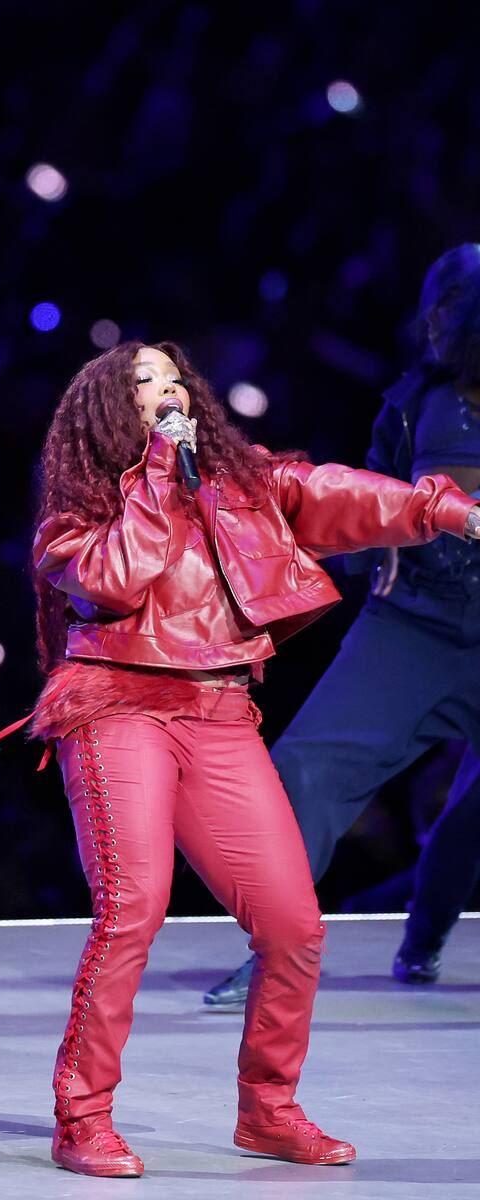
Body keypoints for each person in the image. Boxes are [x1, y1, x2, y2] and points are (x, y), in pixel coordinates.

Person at [27, 340, 480, 1177]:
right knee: (134, 909)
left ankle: (269, 1110)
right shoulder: (78, 514)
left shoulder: (240, 482)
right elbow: (119, 580)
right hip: (118, 708)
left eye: (174, 378)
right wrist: (160, 471)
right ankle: (82, 1117)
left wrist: (450, 510)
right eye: (144, 382)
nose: (167, 390)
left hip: (220, 713)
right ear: (109, 408)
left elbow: (336, 492)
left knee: (293, 924)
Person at [205, 245, 480, 1007]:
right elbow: (374, 500)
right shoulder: (418, 403)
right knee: (308, 770)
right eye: (439, 307)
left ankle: (425, 940)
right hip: (416, 627)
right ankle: (273, 949)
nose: (440, 324)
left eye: (455, 308)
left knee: (471, 815)